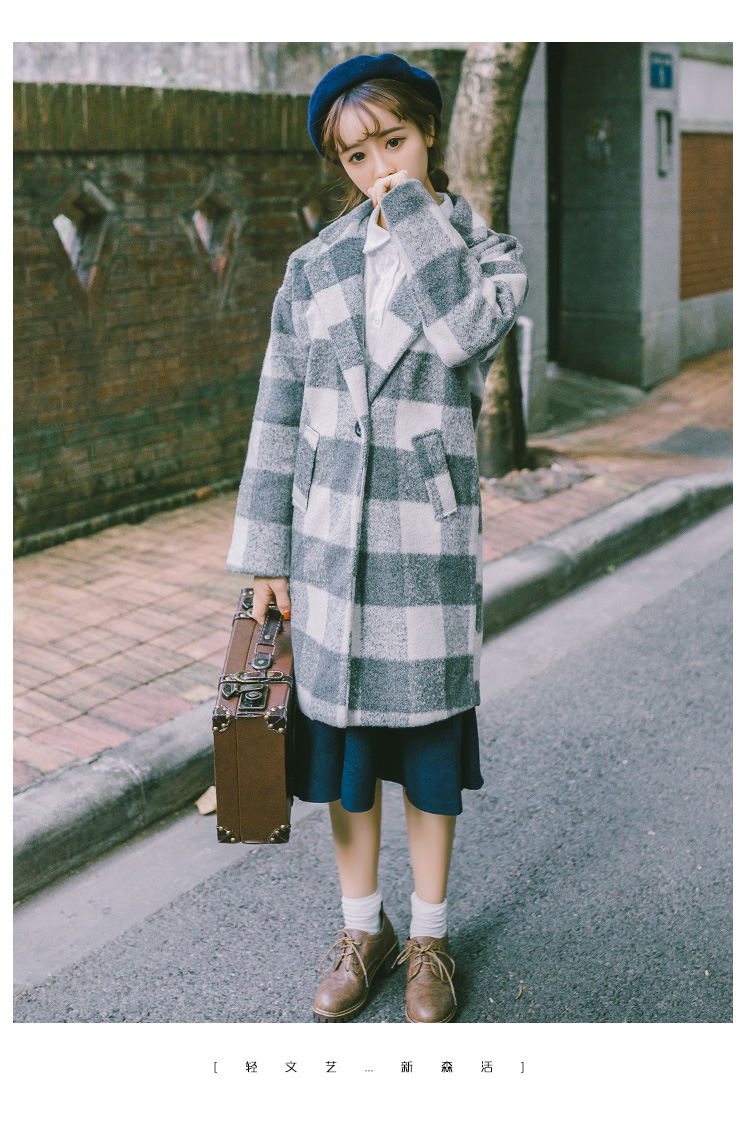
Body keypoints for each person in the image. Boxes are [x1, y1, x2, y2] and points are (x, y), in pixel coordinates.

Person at [225, 52, 528, 1023]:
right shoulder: (313, 265)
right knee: (345, 765)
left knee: (428, 761)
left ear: (429, 132)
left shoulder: (489, 257)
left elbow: (465, 337)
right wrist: (265, 554)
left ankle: (430, 936)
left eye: (393, 142)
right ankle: (366, 929)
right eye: (356, 157)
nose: (377, 168)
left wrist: (417, 218)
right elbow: (278, 411)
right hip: (326, 544)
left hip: (421, 543)